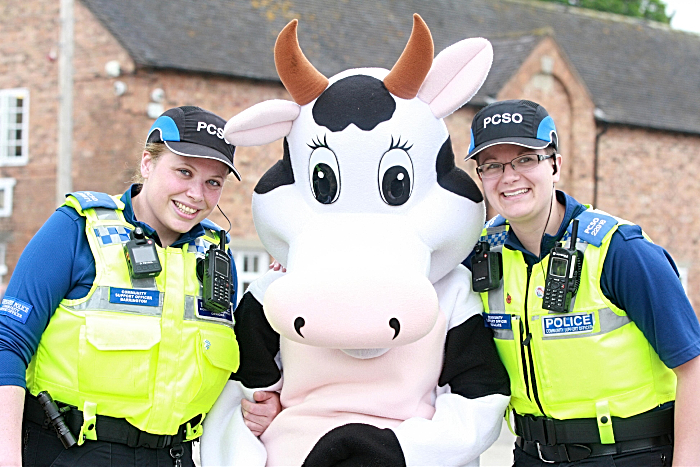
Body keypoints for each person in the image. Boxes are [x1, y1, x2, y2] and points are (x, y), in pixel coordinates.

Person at [0, 106, 280, 467]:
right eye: (184, 172)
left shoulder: (216, 256)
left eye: (213, 182)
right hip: (69, 451)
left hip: (174, 457)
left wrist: (257, 404)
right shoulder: (75, 229)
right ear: (147, 163)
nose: (197, 194)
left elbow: (233, 364)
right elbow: (8, 342)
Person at [464, 99, 700, 466]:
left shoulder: (621, 251)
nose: (509, 177)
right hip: (531, 455)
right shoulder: (480, 253)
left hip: (630, 455)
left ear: (555, 164)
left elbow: (694, 365)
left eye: (526, 160)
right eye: (492, 166)